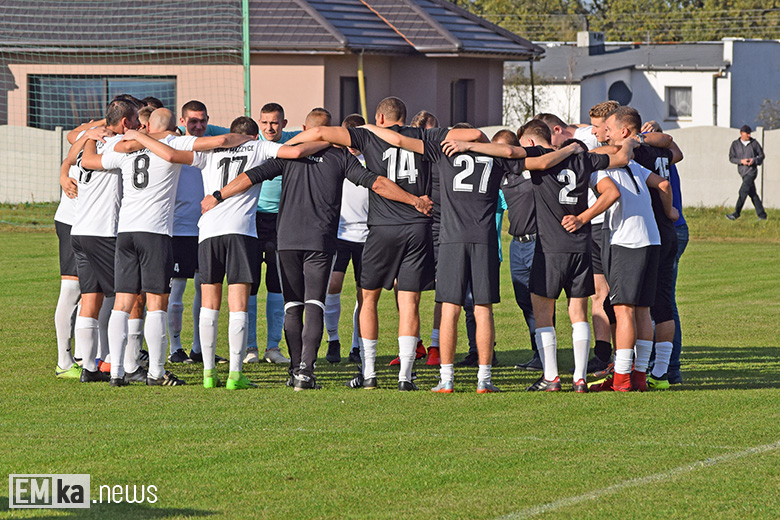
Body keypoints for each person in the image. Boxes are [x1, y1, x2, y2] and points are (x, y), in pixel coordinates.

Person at [203, 108, 431, 390]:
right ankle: (305, 372)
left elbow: (251, 176)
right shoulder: (340, 157)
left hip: (285, 239)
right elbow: (377, 183)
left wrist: (217, 195)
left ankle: (295, 370)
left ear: (304, 128)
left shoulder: (288, 153)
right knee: (315, 304)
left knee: (292, 306)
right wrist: (414, 201)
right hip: (319, 241)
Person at [364, 124, 579, 392]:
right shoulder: (497, 155)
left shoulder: (442, 151)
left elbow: (397, 139)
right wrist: (571, 147)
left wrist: (369, 127)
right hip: (485, 240)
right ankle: (484, 380)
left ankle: (446, 379)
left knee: (450, 310)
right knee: (483, 309)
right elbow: (544, 160)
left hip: (452, 240)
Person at [286, 97, 481, 390]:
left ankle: (369, 373)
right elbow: (475, 135)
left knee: (368, 298)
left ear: (379, 117)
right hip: (418, 227)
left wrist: (288, 147)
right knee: (409, 301)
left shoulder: (367, 134)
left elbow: (321, 133)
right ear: (404, 118)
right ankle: (405, 376)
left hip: (383, 227)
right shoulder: (425, 135)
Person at [81, 108, 252, 387]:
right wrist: (249, 141)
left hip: (125, 232)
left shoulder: (127, 147)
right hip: (155, 233)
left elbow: (88, 160)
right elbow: (219, 142)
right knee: (157, 304)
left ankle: (116, 373)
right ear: (174, 128)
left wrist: (90, 135)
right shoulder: (173, 142)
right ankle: (156, 373)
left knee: (122, 304)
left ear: (147, 125)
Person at [185, 115, 325, 389]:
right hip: (241, 232)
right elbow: (295, 151)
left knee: (208, 305)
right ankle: (235, 375)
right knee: (238, 305)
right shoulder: (258, 147)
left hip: (208, 231)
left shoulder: (208, 151)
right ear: (252, 134)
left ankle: (208, 374)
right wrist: (325, 142)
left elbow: (174, 154)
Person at [517, 120, 626, 393]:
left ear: (530, 142)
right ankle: (579, 378)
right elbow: (621, 159)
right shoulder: (584, 161)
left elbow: (522, 160)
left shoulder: (540, 158)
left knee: (543, 312)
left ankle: (551, 377)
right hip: (580, 246)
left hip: (550, 248)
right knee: (578, 313)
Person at [604, 107, 683, 391]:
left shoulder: (633, 154)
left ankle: (632, 372)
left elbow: (625, 157)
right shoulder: (660, 150)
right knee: (659, 303)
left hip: (643, 232)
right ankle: (660, 371)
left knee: (631, 306)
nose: (605, 134)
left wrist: (668, 210)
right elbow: (675, 149)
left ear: (625, 132)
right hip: (663, 233)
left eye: (608, 129)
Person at [589, 153, 675, 392]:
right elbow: (664, 184)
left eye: (604, 130)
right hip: (652, 237)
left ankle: (622, 379)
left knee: (623, 309)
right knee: (643, 310)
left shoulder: (600, 165)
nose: (598, 133)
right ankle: (638, 376)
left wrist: (581, 217)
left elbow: (611, 194)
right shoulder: (633, 162)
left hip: (626, 240)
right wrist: (670, 212)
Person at [66, 99, 136, 383]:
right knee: (128, 296)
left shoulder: (88, 140)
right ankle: (125, 366)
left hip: (79, 231)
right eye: (134, 122)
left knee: (90, 299)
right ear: (125, 123)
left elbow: (70, 159)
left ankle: (88, 367)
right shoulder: (116, 144)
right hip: (103, 231)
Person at [168, 100, 227, 364]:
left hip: (207, 229)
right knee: (177, 291)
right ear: (182, 122)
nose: (199, 125)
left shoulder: (213, 146)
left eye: (203, 120)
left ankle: (199, 348)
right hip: (179, 229)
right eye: (193, 120)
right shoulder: (173, 145)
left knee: (205, 290)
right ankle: (175, 348)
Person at [244, 102, 300, 365]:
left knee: (277, 286)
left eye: (275, 123)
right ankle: (250, 347)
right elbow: (210, 130)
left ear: (284, 124)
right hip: (252, 221)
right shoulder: (251, 145)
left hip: (282, 223)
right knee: (250, 286)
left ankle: (273, 348)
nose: (269, 127)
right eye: (265, 122)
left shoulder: (292, 146)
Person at [323, 113, 369, 364]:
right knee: (333, 286)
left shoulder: (373, 160)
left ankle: (356, 346)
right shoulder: (335, 158)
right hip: (339, 234)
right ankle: (333, 340)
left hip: (367, 236)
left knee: (365, 294)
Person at [727, 125, 766, 221]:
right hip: (742, 172)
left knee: (742, 192)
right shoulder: (735, 144)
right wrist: (741, 161)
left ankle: (736, 214)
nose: (748, 135)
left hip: (751, 172)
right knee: (753, 194)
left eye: (749, 133)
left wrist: (754, 160)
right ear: (741, 133)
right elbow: (731, 158)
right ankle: (762, 215)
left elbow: (761, 155)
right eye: (747, 133)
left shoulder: (754, 143)